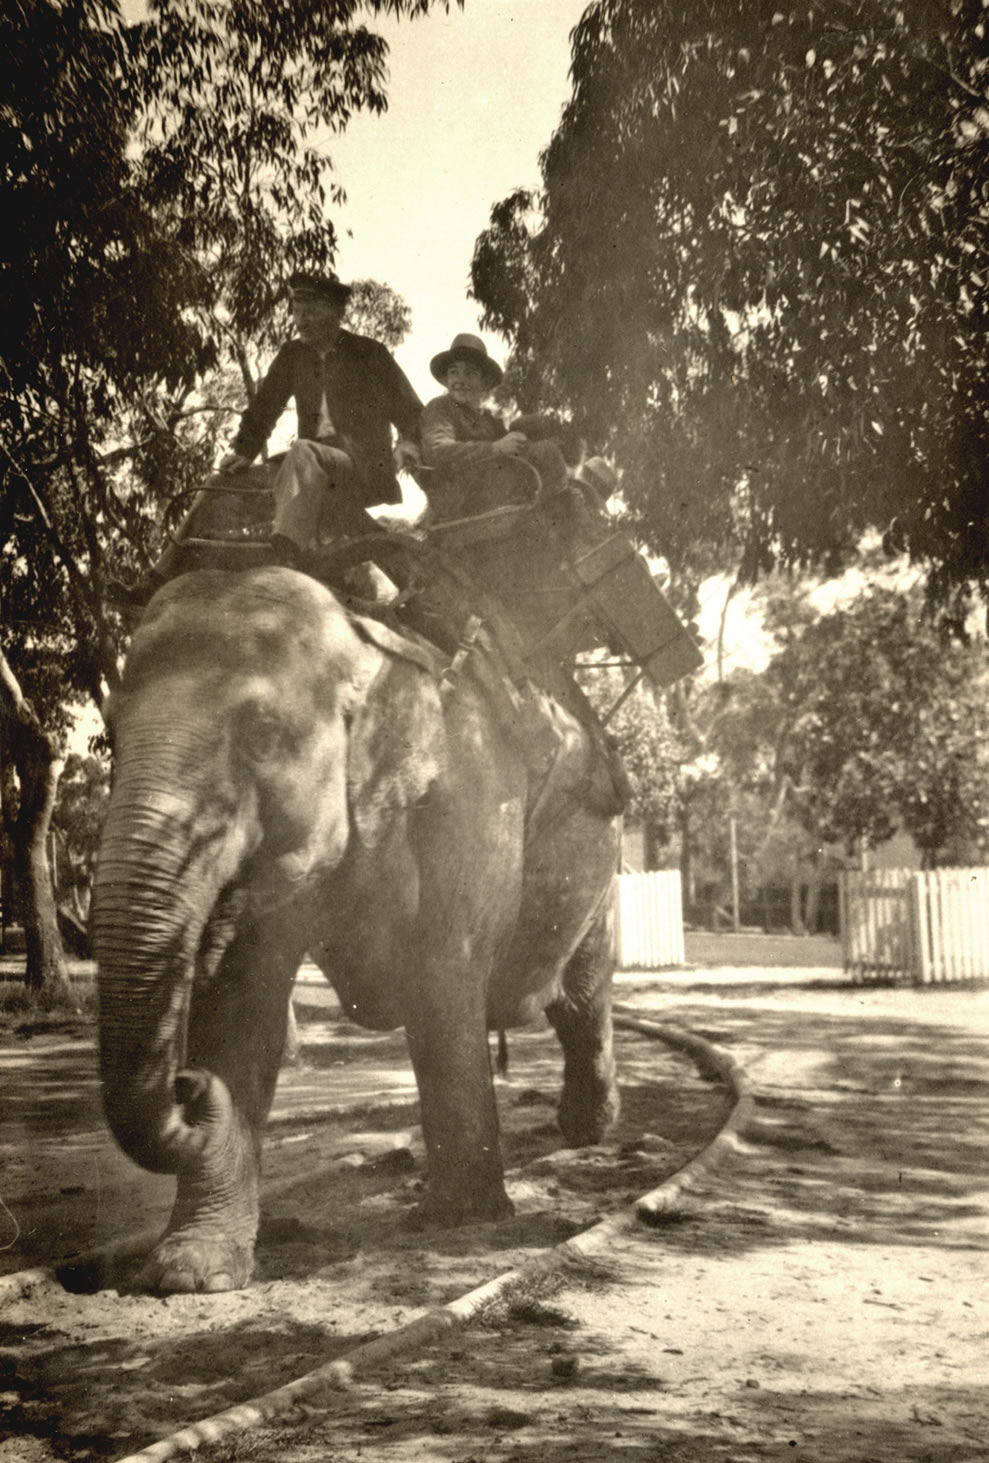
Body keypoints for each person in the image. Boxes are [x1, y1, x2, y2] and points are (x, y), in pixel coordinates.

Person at [110, 269, 422, 606]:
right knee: (217, 484)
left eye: (310, 311)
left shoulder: (368, 353)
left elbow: (411, 411)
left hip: (359, 467)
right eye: (297, 311)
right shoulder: (293, 355)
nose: (300, 320)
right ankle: (156, 580)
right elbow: (264, 407)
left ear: (336, 312)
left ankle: (288, 554)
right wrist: (244, 451)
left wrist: (407, 442)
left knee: (303, 451)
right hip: (307, 469)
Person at [419, 334, 574, 523]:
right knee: (546, 453)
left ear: (484, 383)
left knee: (540, 442)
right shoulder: (440, 407)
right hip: (459, 495)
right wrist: (495, 448)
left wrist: (522, 442)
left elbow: (514, 450)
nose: (460, 380)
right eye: (454, 372)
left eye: (470, 373)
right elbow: (438, 451)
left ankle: (562, 517)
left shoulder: (487, 420)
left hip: (487, 487)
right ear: (446, 379)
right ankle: (567, 523)